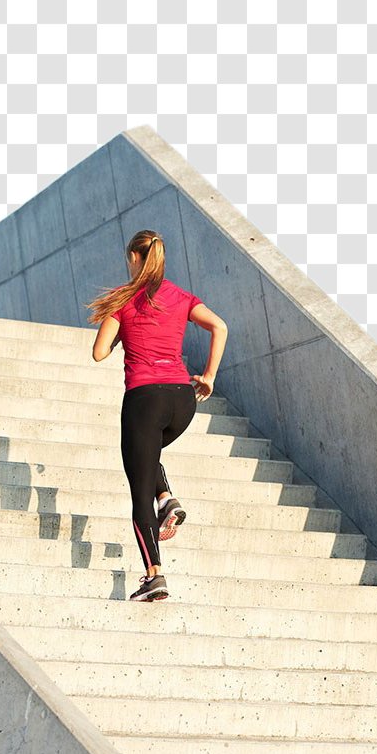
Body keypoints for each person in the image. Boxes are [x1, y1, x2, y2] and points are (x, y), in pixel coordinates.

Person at [86, 230, 228, 602]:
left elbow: (99, 353)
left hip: (144, 398)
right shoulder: (180, 296)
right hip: (183, 400)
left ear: (134, 257)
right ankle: (166, 498)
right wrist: (209, 376)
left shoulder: (124, 300)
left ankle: (154, 576)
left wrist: (122, 334)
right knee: (147, 457)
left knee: (138, 486)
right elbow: (220, 326)